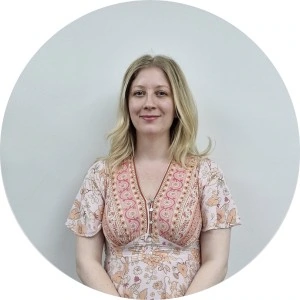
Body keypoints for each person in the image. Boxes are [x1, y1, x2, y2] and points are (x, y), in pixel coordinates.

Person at [66, 54, 241, 299]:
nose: (149, 103)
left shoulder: (206, 173)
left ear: (178, 103)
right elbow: (86, 262)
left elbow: (217, 262)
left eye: (161, 93)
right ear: (127, 103)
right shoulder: (101, 174)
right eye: (139, 93)